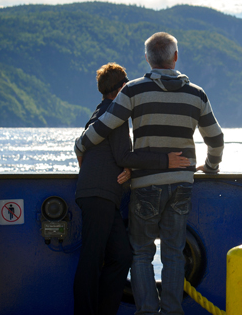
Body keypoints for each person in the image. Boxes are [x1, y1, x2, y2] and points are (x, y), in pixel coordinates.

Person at [75, 32, 224, 315]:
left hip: (145, 186)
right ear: (175, 57)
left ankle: (145, 311)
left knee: (141, 252)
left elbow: (103, 127)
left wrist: (79, 145)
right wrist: (212, 167)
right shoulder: (197, 93)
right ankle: (172, 311)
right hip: (181, 184)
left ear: (147, 59)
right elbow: (215, 138)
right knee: (174, 252)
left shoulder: (132, 91)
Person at [73, 62, 191, 315]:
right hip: (99, 195)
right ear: (122, 88)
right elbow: (124, 155)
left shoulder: (101, 112)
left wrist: (124, 169)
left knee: (122, 256)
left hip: (103, 196)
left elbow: (92, 147)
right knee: (91, 260)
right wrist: (165, 160)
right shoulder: (113, 114)